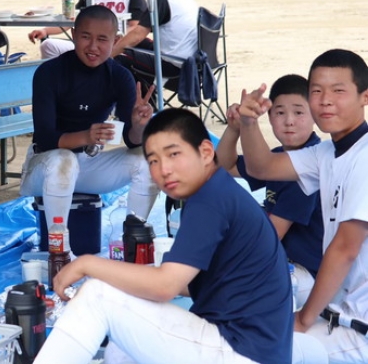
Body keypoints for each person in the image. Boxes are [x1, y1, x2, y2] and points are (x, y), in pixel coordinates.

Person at [33, 108, 295, 364]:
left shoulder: (210, 201)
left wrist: (86, 264)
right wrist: (121, 278)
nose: (164, 169)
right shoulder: (216, 191)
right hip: (247, 347)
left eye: (173, 154)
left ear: (206, 152)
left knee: (97, 296)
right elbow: (187, 284)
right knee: (121, 345)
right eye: (153, 161)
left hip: (239, 349)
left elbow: (165, 286)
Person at [238, 49, 368, 362]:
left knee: (250, 350)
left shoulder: (364, 157)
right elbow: (262, 167)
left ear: (365, 97)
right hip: (336, 313)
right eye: (317, 91)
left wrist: (303, 319)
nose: (325, 101)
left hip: (358, 328)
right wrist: (248, 122)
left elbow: (346, 249)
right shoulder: (327, 152)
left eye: (338, 91)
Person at [20, 5, 159, 242]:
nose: (93, 46)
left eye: (102, 39)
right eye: (86, 37)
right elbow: (45, 138)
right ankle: (58, 249)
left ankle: (135, 241)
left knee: (146, 160)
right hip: (43, 165)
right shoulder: (49, 72)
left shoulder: (120, 76)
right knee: (63, 161)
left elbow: (131, 140)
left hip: (87, 164)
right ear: (74, 35)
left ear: (115, 41)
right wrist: (86, 136)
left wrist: (139, 125)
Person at [216, 74, 323, 306]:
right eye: (280, 113)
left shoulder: (309, 167)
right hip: (283, 260)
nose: (289, 121)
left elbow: (271, 234)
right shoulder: (277, 157)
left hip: (307, 276)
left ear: (315, 115)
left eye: (299, 112)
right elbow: (225, 166)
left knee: (225, 282)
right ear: (270, 117)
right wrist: (234, 128)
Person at [113, 0, 198, 78]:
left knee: (120, 55)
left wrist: (108, 55)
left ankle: (137, 92)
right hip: (189, 62)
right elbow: (139, 32)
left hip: (173, 65)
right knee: (135, 43)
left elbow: (137, 35)